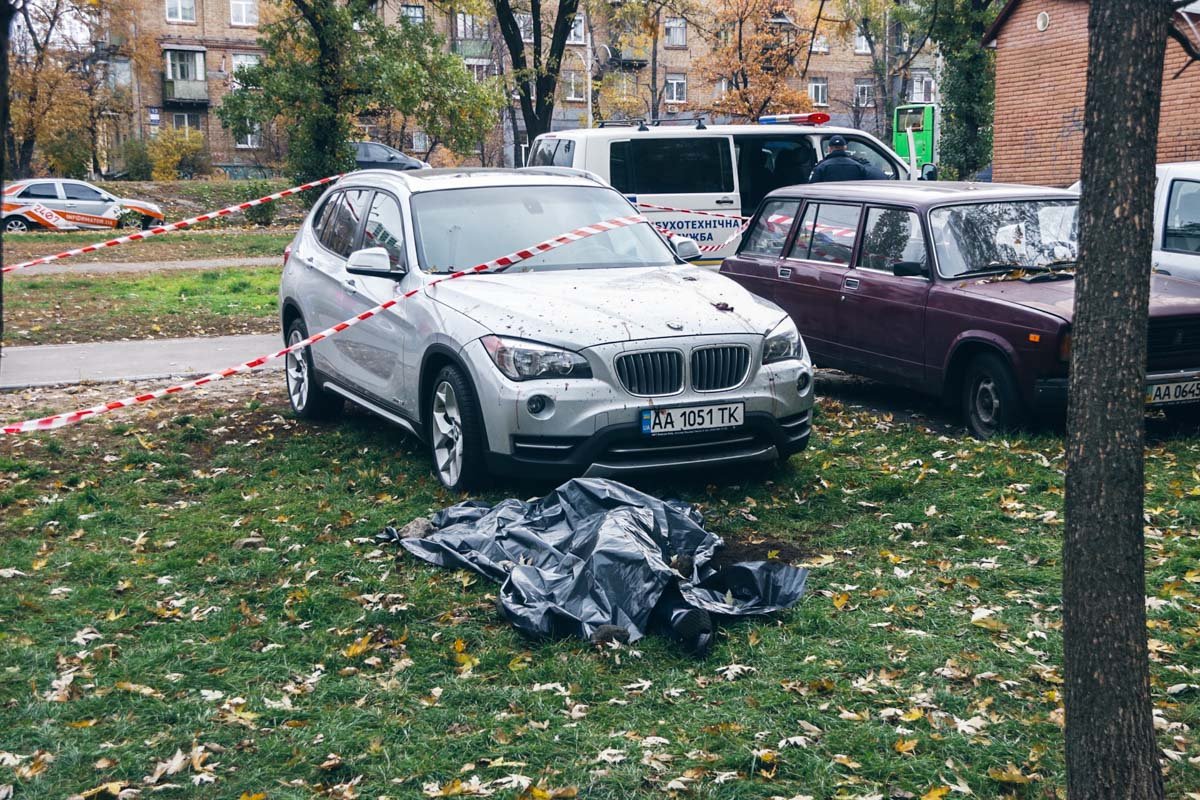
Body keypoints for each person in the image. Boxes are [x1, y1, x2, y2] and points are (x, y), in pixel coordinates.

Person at [809, 134, 886, 183]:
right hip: (853, 205)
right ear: (845, 148)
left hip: (827, 205)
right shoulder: (858, 166)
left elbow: (812, 187)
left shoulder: (821, 167)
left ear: (829, 149)